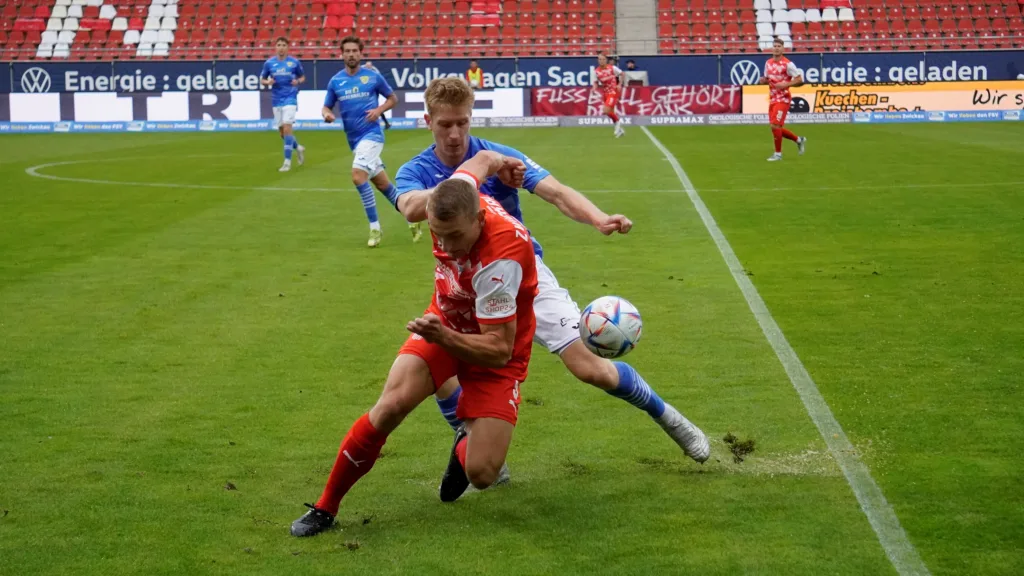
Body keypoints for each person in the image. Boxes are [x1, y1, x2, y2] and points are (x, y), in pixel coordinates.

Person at [389, 78, 710, 481]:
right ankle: (477, 445)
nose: (455, 134)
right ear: (428, 121)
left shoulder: (499, 156)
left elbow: (556, 192)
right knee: (437, 369)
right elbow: (412, 208)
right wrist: (470, 178)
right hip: (461, 285)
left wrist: (598, 218)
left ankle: (670, 418)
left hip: (521, 275)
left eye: (462, 123)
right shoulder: (418, 169)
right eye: (445, 125)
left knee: (590, 368)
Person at [290, 150, 538, 537]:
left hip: (494, 348)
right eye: (439, 235)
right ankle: (325, 507)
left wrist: (444, 336)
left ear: (479, 218)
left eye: (456, 237)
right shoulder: (458, 192)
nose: (448, 247)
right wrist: (505, 164)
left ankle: (465, 442)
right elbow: (484, 159)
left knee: (483, 473)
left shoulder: (499, 260)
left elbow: (499, 349)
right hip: (446, 320)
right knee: (390, 406)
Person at [322, 36, 421, 247]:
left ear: (360, 53)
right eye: (347, 51)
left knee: (358, 176)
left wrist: (378, 110)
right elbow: (326, 106)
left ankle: (375, 228)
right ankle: (411, 218)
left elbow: (393, 98)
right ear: (341, 54)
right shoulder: (335, 81)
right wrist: (327, 114)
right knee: (384, 185)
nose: (350, 54)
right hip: (355, 141)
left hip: (372, 136)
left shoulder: (372, 77)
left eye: (354, 51)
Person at [260, 37, 306, 172]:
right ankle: (298, 147)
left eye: (283, 45)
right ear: (275, 47)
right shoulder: (269, 63)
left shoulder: (294, 62)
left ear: (287, 47)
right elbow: (262, 79)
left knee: (287, 128)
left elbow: (303, 77)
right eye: (279, 45)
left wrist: (297, 82)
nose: (281, 47)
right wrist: (267, 82)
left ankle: (287, 162)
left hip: (290, 98)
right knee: (282, 132)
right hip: (276, 99)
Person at [759, 37, 807, 162]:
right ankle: (798, 140)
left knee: (775, 126)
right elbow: (766, 79)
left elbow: (800, 80)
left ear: (783, 49)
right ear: (772, 48)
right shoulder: (768, 63)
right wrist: (762, 81)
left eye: (779, 46)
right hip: (773, 98)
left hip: (783, 99)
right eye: (774, 46)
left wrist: (785, 85)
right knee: (775, 127)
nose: (776, 48)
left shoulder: (788, 64)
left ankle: (778, 154)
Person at [592, 53, 626, 138]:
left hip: (613, 91)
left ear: (606, 60)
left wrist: (619, 84)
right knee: (610, 112)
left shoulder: (612, 68)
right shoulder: (596, 71)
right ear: (598, 60)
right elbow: (596, 82)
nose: (601, 61)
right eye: (599, 59)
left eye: (603, 59)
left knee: (606, 110)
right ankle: (619, 130)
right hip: (605, 93)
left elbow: (622, 74)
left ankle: (618, 125)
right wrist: (594, 88)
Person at [362, 61, 391, 130]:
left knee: (374, 107)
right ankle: (386, 123)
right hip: (365, 91)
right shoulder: (361, 70)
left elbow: (379, 80)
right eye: (367, 67)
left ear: (371, 66)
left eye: (369, 67)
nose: (368, 68)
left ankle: (385, 123)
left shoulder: (375, 72)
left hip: (373, 91)